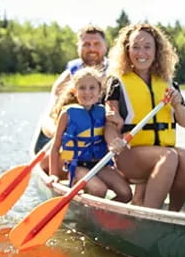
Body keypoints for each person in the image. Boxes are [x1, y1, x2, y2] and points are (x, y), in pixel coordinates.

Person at [105, 23, 185, 211]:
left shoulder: (169, 84)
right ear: (127, 50)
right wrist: (113, 140)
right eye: (136, 47)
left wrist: (177, 105)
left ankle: (174, 215)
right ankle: (151, 215)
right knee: (169, 156)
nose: (141, 52)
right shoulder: (117, 82)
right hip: (130, 154)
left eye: (147, 46)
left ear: (156, 51)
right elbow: (110, 121)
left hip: (161, 152)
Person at [48, 67, 131, 202]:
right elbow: (56, 146)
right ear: (75, 91)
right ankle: (90, 212)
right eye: (82, 88)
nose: (87, 92)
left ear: (100, 92)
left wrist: (119, 123)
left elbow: (114, 135)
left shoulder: (103, 112)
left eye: (92, 88)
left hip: (101, 164)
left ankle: (104, 215)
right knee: (99, 190)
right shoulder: (67, 114)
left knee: (126, 193)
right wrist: (53, 175)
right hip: (78, 166)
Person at [40, 25, 108, 179]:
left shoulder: (115, 74)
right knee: (44, 165)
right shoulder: (67, 76)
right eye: (86, 44)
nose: (91, 49)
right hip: (73, 142)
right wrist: (60, 134)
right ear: (78, 47)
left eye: (96, 44)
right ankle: (69, 176)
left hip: (103, 141)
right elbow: (48, 117)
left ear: (105, 46)